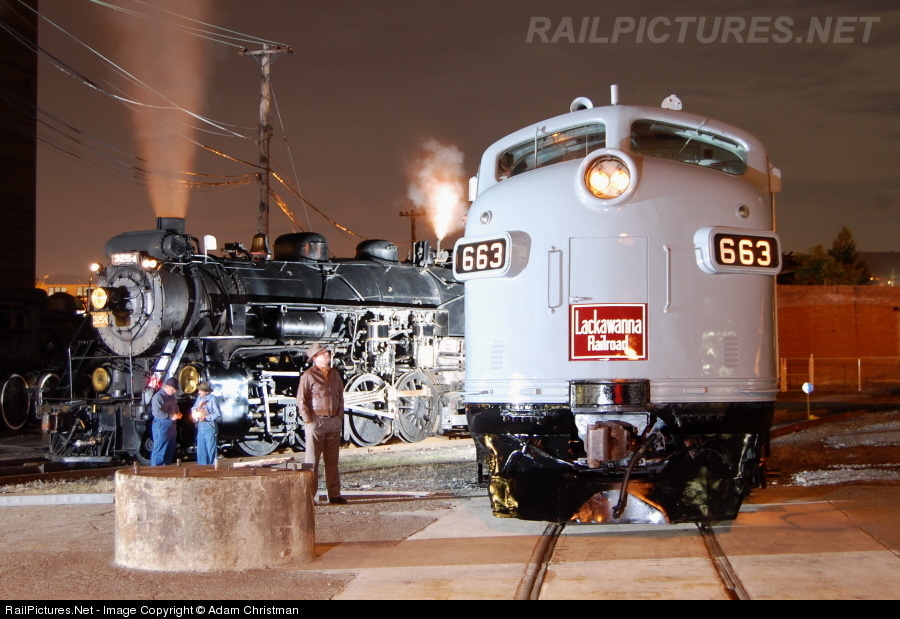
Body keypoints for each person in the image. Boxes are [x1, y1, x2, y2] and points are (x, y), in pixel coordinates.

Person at [297, 342, 347, 504]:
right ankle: (309, 496)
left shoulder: (335, 374)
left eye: (326, 352)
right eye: (323, 353)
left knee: (332, 461)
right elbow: (301, 399)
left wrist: (339, 416)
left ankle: (334, 494)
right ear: (315, 358)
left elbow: (341, 396)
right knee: (312, 461)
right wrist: (308, 420)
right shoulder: (308, 375)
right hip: (316, 422)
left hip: (333, 421)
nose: (327, 354)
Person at [150, 377, 182, 466]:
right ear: (166, 387)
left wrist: (178, 412)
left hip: (171, 425)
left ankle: (166, 468)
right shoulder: (158, 397)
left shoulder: (171, 396)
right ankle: (156, 469)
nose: (174, 391)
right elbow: (157, 412)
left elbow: (175, 406)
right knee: (160, 448)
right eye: (173, 389)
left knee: (169, 449)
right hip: (161, 425)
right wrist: (171, 416)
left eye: (175, 390)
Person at [191, 382, 222, 465]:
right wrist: (198, 408)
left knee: (210, 448)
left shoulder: (212, 399)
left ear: (207, 392)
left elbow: (217, 413)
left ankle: (212, 466)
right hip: (200, 425)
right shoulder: (199, 398)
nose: (198, 392)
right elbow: (194, 409)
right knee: (201, 448)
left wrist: (206, 418)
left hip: (209, 426)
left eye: (201, 391)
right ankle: (202, 466)